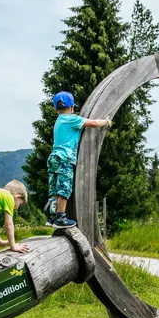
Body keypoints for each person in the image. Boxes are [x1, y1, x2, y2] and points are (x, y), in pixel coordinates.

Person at [44, 91, 112, 228]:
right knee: (64, 188)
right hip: (65, 159)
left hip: (54, 158)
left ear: (56, 109)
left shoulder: (59, 121)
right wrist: (106, 122)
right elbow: (92, 123)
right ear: (72, 108)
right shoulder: (71, 119)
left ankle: (51, 217)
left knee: (54, 189)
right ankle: (60, 218)